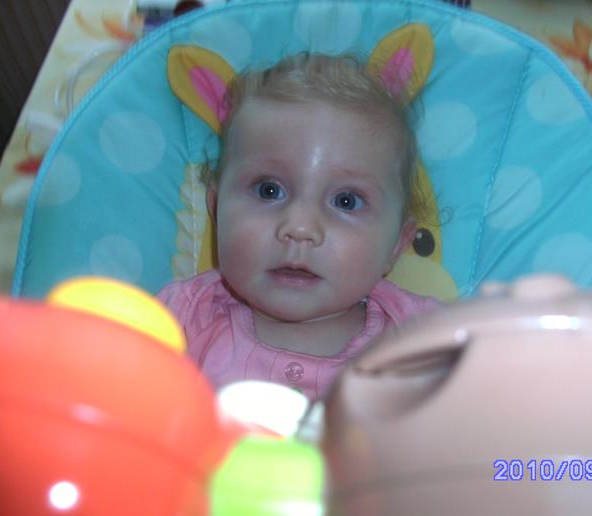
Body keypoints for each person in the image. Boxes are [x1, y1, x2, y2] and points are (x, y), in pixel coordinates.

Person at [158, 52, 441, 400]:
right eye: (269, 190)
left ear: (397, 245)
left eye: (346, 201)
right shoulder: (181, 321)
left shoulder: (428, 340)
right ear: (216, 209)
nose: (300, 227)